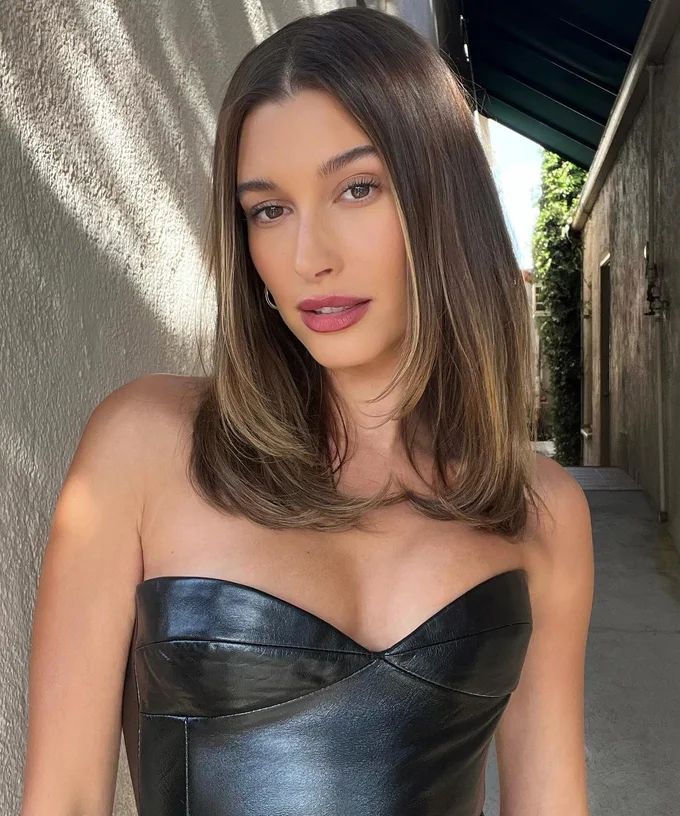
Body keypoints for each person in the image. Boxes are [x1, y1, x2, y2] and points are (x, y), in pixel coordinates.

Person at [20, 6, 594, 816]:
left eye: (357, 189)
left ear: (442, 207)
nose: (308, 257)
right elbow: (66, 799)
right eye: (269, 209)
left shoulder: (539, 510)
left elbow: (550, 802)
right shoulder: (145, 447)